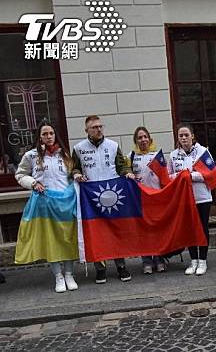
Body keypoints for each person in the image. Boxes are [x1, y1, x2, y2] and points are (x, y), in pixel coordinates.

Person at [15, 120, 79, 293]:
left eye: (51, 133)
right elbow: (20, 174)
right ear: (39, 136)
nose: (49, 137)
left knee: (67, 238)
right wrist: (33, 183)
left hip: (65, 203)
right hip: (44, 204)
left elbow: (72, 174)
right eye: (45, 134)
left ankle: (69, 273)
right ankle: (58, 276)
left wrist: (76, 180)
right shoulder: (31, 156)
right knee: (51, 240)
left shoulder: (64, 154)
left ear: (55, 134)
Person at [72, 115, 134, 284]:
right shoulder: (79, 148)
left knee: (115, 231)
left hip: (113, 197)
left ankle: (121, 265)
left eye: (100, 126)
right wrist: (76, 174)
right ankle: (100, 269)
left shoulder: (113, 146)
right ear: (87, 130)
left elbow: (122, 165)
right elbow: (75, 167)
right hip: (91, 199)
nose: (99, 129)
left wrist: (127, 172)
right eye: (94, 127)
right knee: (97, 233)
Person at [169, 124, 213, 276]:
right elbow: (169, 177)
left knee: (202, 228)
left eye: (186, 135)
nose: (183, 138)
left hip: (202, 198)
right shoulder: (173, 155)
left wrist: (188, 176)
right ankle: (193, 260)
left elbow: (209, 174)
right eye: (181, 136)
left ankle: (203, 260)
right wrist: (181, 176)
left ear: (192, 136)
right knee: (190, 230)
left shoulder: (203, 152)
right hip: (185, 199)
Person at [129, 126, 166, 274]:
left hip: (156, 198)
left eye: (145, 137)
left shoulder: (157, 155)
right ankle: (146, 261)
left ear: (150, 139)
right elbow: (125, 173)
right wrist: (130, 175)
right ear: (136, 141)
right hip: (140, 199)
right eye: (140, 137)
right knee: (144, 231)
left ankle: (159, 259)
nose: (143, 140)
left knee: (157, 230)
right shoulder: (131, 156)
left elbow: (165, 176)